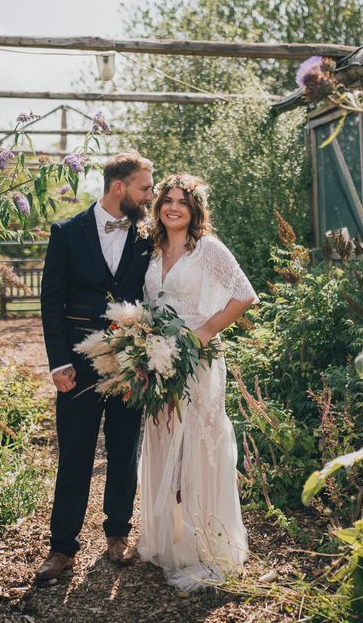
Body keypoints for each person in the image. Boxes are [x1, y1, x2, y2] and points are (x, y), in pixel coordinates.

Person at [37, 150, 154, 582]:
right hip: (79, 364)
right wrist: (58, 362)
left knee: (124, 451)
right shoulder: (66, 232)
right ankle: (62, 547)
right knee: (75, 455)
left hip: (129, 362)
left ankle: (118, 534)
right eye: (145, 187)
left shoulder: (148, 235)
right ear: (119, 187)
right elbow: (51, 301)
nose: (150, 195)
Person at [138, 174, 258, 591]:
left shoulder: (207, 248)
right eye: (166, 200)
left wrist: (201, 333)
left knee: (198, 447)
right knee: (166, 441)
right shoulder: (152, 249)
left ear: (194, 210)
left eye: (181, 203)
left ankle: (204, 544)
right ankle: (171, 538)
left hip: (198, 362)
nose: (172, 207)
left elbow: (244, 295)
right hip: (158, 361)